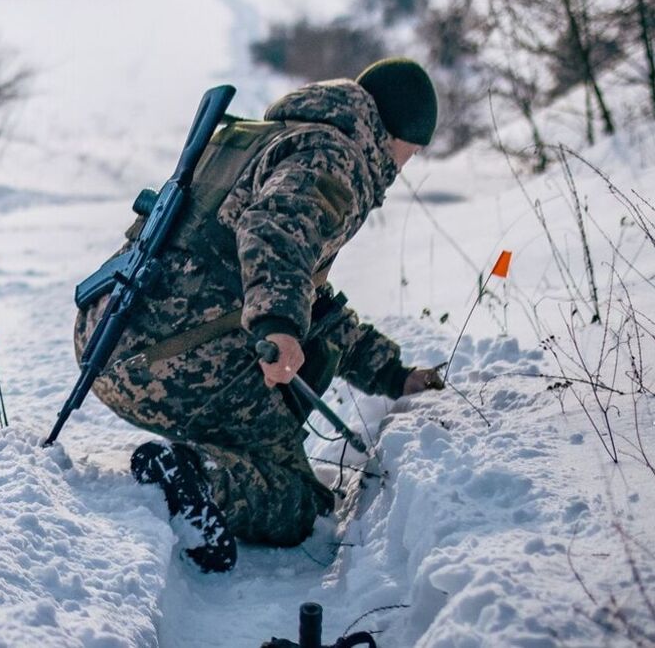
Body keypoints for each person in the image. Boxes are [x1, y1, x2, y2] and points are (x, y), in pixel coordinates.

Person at [73, 59, 448, 573]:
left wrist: (392, 374)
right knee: (299, 498)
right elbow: (273, 231)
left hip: (108, 342)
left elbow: (311, 298)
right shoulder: (337, 155)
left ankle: (205, 455)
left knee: (303, 337)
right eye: (413, 152)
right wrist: (279, 326)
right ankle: (197, 475)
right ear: (397, 134)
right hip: (170, 362)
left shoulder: (273, 135)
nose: (407, 165)